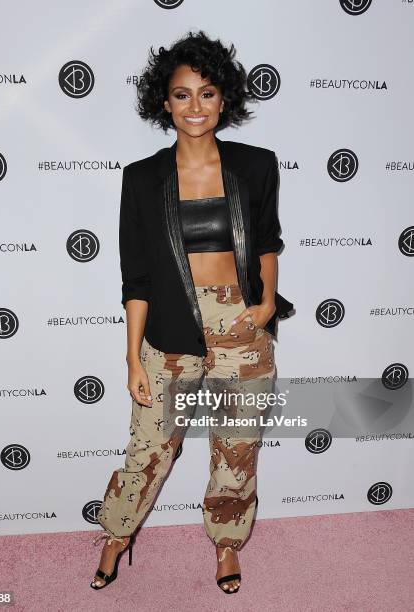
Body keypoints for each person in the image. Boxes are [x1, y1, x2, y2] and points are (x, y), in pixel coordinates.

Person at [90, 30, 293, 594]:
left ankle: (227, 543)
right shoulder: (142, 177)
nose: (195, 107)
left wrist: (266, 304)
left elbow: (269, 240)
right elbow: (138, 275)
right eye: (182, 95)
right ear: (165, 101)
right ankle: (117, 534)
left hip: (241, 327)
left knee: (237, 447)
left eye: (207, 93)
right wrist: (133, 356)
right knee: (150, 446)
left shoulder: (256, 166)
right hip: (171, 329)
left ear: (224, 98)